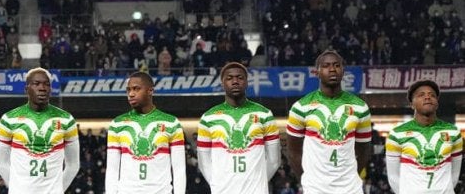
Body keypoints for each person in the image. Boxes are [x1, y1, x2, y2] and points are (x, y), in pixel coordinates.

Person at [286, 51, 371, 194]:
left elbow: (364, 151)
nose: (332, 69)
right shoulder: (300, 107)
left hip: (350, 188)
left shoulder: (360, 107)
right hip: (315, 188)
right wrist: (307, 180)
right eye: (326, 66)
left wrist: (351, 176)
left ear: (343, 71)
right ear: (317, 72)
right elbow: (293, 152)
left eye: (337, 65)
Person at [196, 62, 280, 194]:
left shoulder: (264, 114)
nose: (235, 81)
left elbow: (274, 161)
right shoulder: (208, 118)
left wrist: (258, 183)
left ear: (247, 82)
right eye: (229, 78)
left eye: (240, 78)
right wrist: (217, 184)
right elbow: (203, 161)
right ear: (222, 83)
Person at [0, 67, 80, 194]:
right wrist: (16, 188)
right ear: (26, 89)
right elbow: (1, 163)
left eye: (46, 84)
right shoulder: (8, 119)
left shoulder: (66, 120)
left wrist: (58, 190)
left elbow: (73, 165)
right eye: (36, 84)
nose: (42, 88)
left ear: (50, 89)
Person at [105, 72, 185, 194]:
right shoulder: (117, 124)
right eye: (128, 90)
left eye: (136, 89)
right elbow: (112, 169)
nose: (131, 94)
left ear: (150, 91)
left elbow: (179, 169)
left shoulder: (171, 123)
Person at [385, 80, 462, 194]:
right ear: (412, 104)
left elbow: (454, 175)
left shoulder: (453, 132)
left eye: (432, 95)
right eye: (421, 95)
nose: (427, 97)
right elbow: (393, 177)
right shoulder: (396, 134)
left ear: (437, 103)